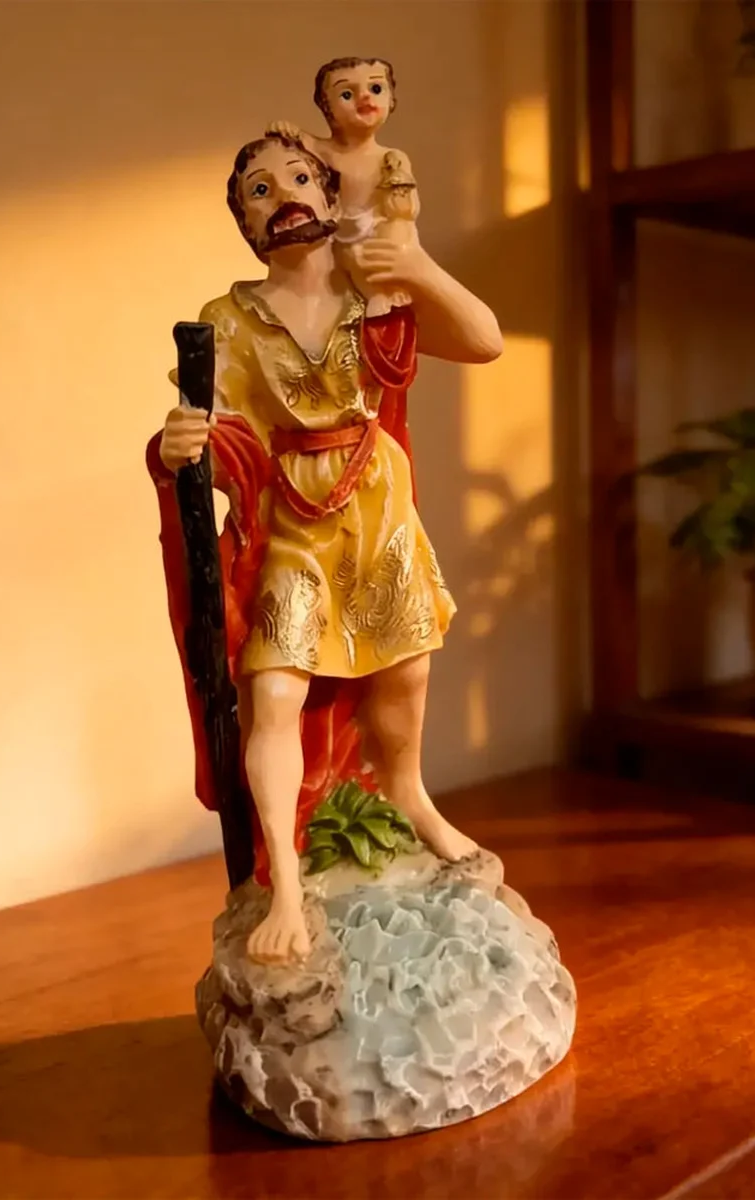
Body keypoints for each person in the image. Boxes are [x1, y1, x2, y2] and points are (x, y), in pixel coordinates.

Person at [148, 130, 501, 965]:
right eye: (259, 191)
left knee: (406, 671)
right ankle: (284, 881)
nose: (284, 198)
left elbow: (484, 338)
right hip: (294, 519)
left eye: (299, 178)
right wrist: (183, 447)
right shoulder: (230, 321)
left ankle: (410, 796)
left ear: (332, 195)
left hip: (377, 506)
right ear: (245, 224)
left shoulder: (373, 295)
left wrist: (415, 265)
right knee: (274, 689)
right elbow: (225, 439)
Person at [270, 56, 418, 316]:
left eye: (376, 88)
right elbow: (295, 139)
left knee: (396, 235)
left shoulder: (391, 157)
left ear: (391, 100)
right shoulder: (325, 151)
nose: (365, 97)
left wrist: (400, 195)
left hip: (377, 226)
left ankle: (389, 288)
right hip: (341, 230)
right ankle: (373, 295)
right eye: (347, 94)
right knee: (349, 256)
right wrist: (284, 129)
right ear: (327, 107)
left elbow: (408, 210)